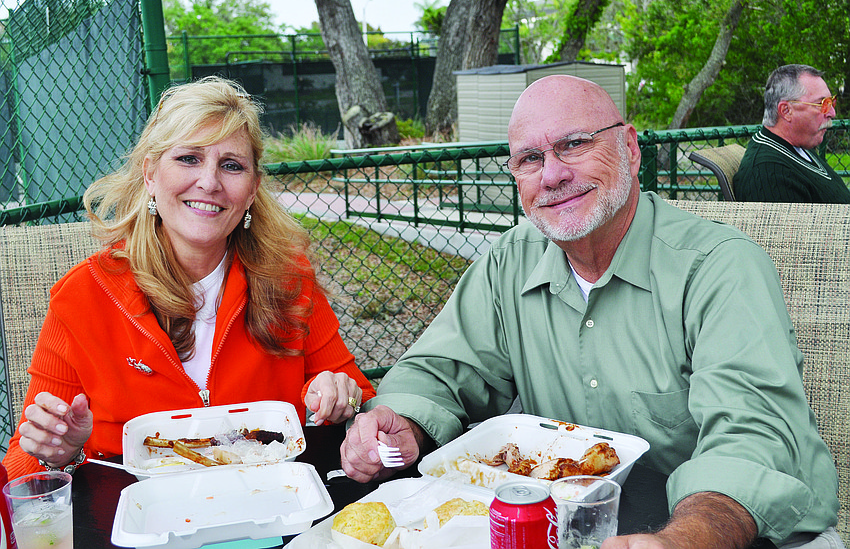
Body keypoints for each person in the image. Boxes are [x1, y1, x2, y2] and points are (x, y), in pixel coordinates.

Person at [340, 75, 842, 549]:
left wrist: (679, 540)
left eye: (575, 144)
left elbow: (753, 438)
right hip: (573, 527)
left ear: (630, 148)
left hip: (738, 532)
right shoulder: (508, 262)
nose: (552, 175)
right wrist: (402, 420)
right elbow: (437, 372)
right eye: (530, 158)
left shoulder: (719, 267)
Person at [3, 77, 375, 479]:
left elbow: (360, 400)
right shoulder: (83, 295)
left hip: (271, 499)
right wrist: (58, 454)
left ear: (252, 190)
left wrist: (339, 395)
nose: (210, 182)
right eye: (188, 158)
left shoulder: (288, 279)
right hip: (134, 508)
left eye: (231, 165)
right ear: (150, 174)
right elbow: (24, 459)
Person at [734, 64, 850, 203]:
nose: (832, 113)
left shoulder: (796, 146)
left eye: (831, 102)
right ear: (786, 111)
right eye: (822, 104)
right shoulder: (768, 173)